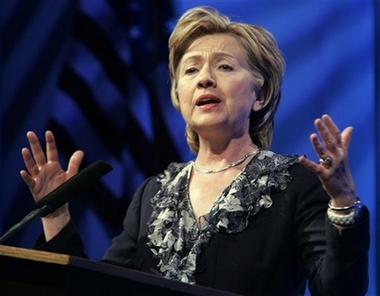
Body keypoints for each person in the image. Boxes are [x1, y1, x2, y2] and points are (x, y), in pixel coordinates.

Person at [20, 6, 369, 296]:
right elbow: (98, 290)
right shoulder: (153, 194)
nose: (204, 78)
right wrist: (56, 216)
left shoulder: (296, 182)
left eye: (225, 66)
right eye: (190, 69)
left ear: (259, 96)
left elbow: (338, 291)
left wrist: (342, 204)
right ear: (178, 97)